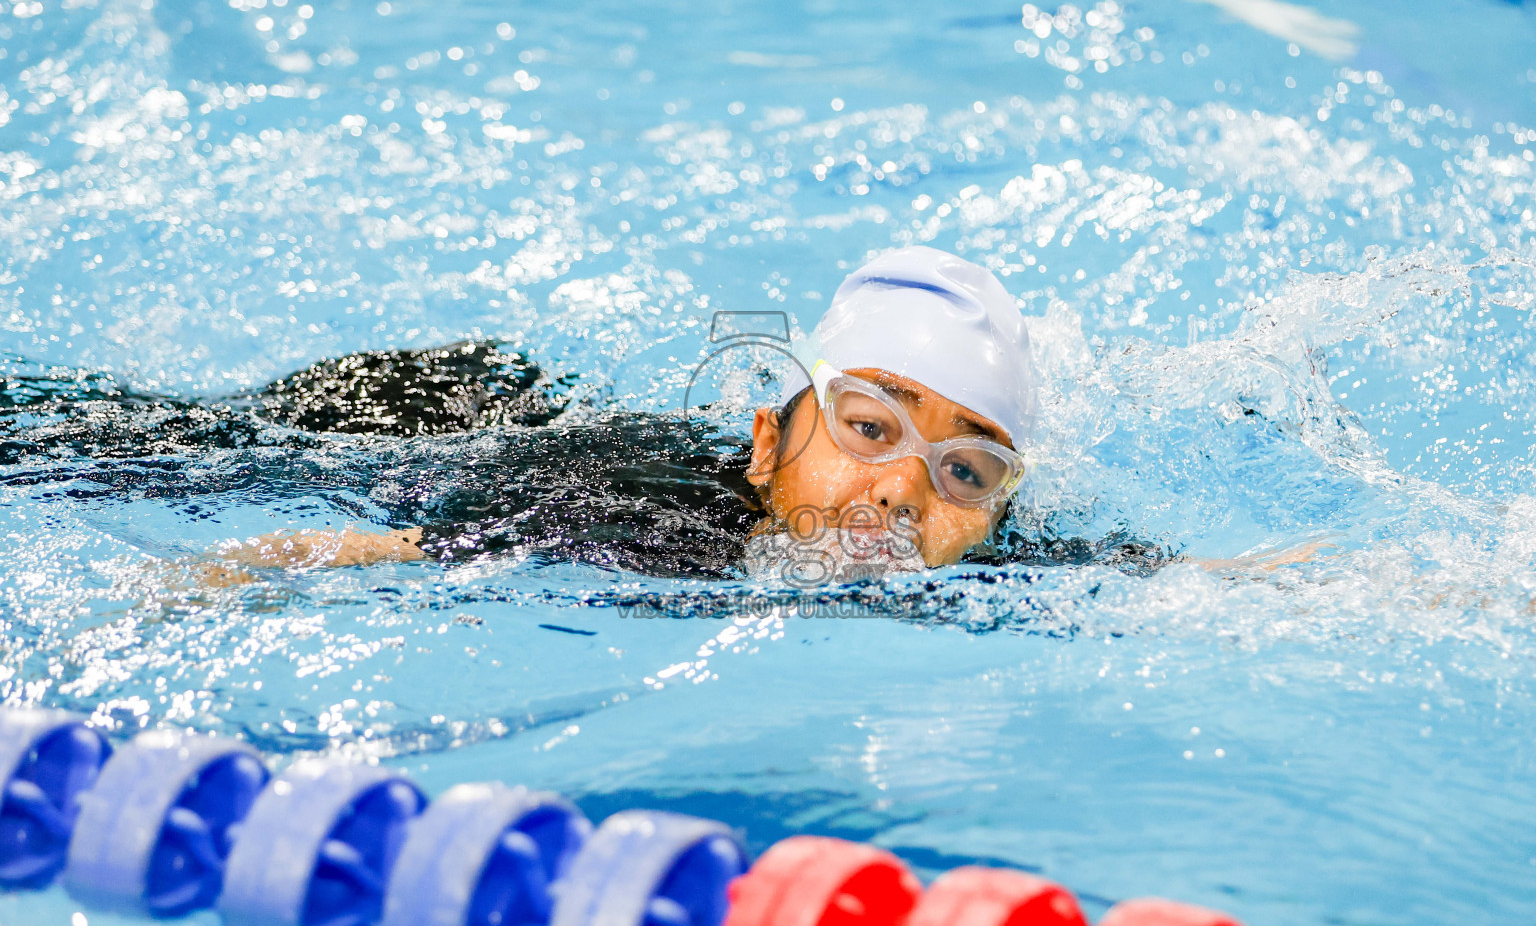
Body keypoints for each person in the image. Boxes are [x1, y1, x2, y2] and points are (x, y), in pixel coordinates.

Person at [1, 248, 1166, 582]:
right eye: (869, 427)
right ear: (770, 439)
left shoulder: (990, 565)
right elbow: (374, 547)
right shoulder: (637, 521)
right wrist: (188, 586)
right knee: (110, 451)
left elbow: (1169, 573)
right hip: (426, 425)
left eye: (968, 471)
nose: (910, 491)